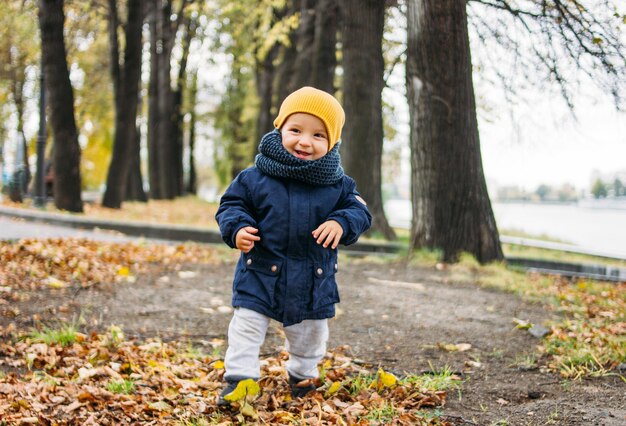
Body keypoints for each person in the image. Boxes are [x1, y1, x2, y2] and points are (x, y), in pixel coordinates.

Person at [215, 86, 372, 405]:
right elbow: (231, 205)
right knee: (246, 327)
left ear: (332, 143)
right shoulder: (255, 177)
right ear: (280, 129)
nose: (304, 141)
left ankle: (303, 374)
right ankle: (240, 380)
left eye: (318, 135)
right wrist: (238, 228)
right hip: (260, 270)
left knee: (311, 333)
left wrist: (341, 222)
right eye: (296, 130)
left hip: (313, 278)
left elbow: (359, 210)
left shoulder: (339, 184)